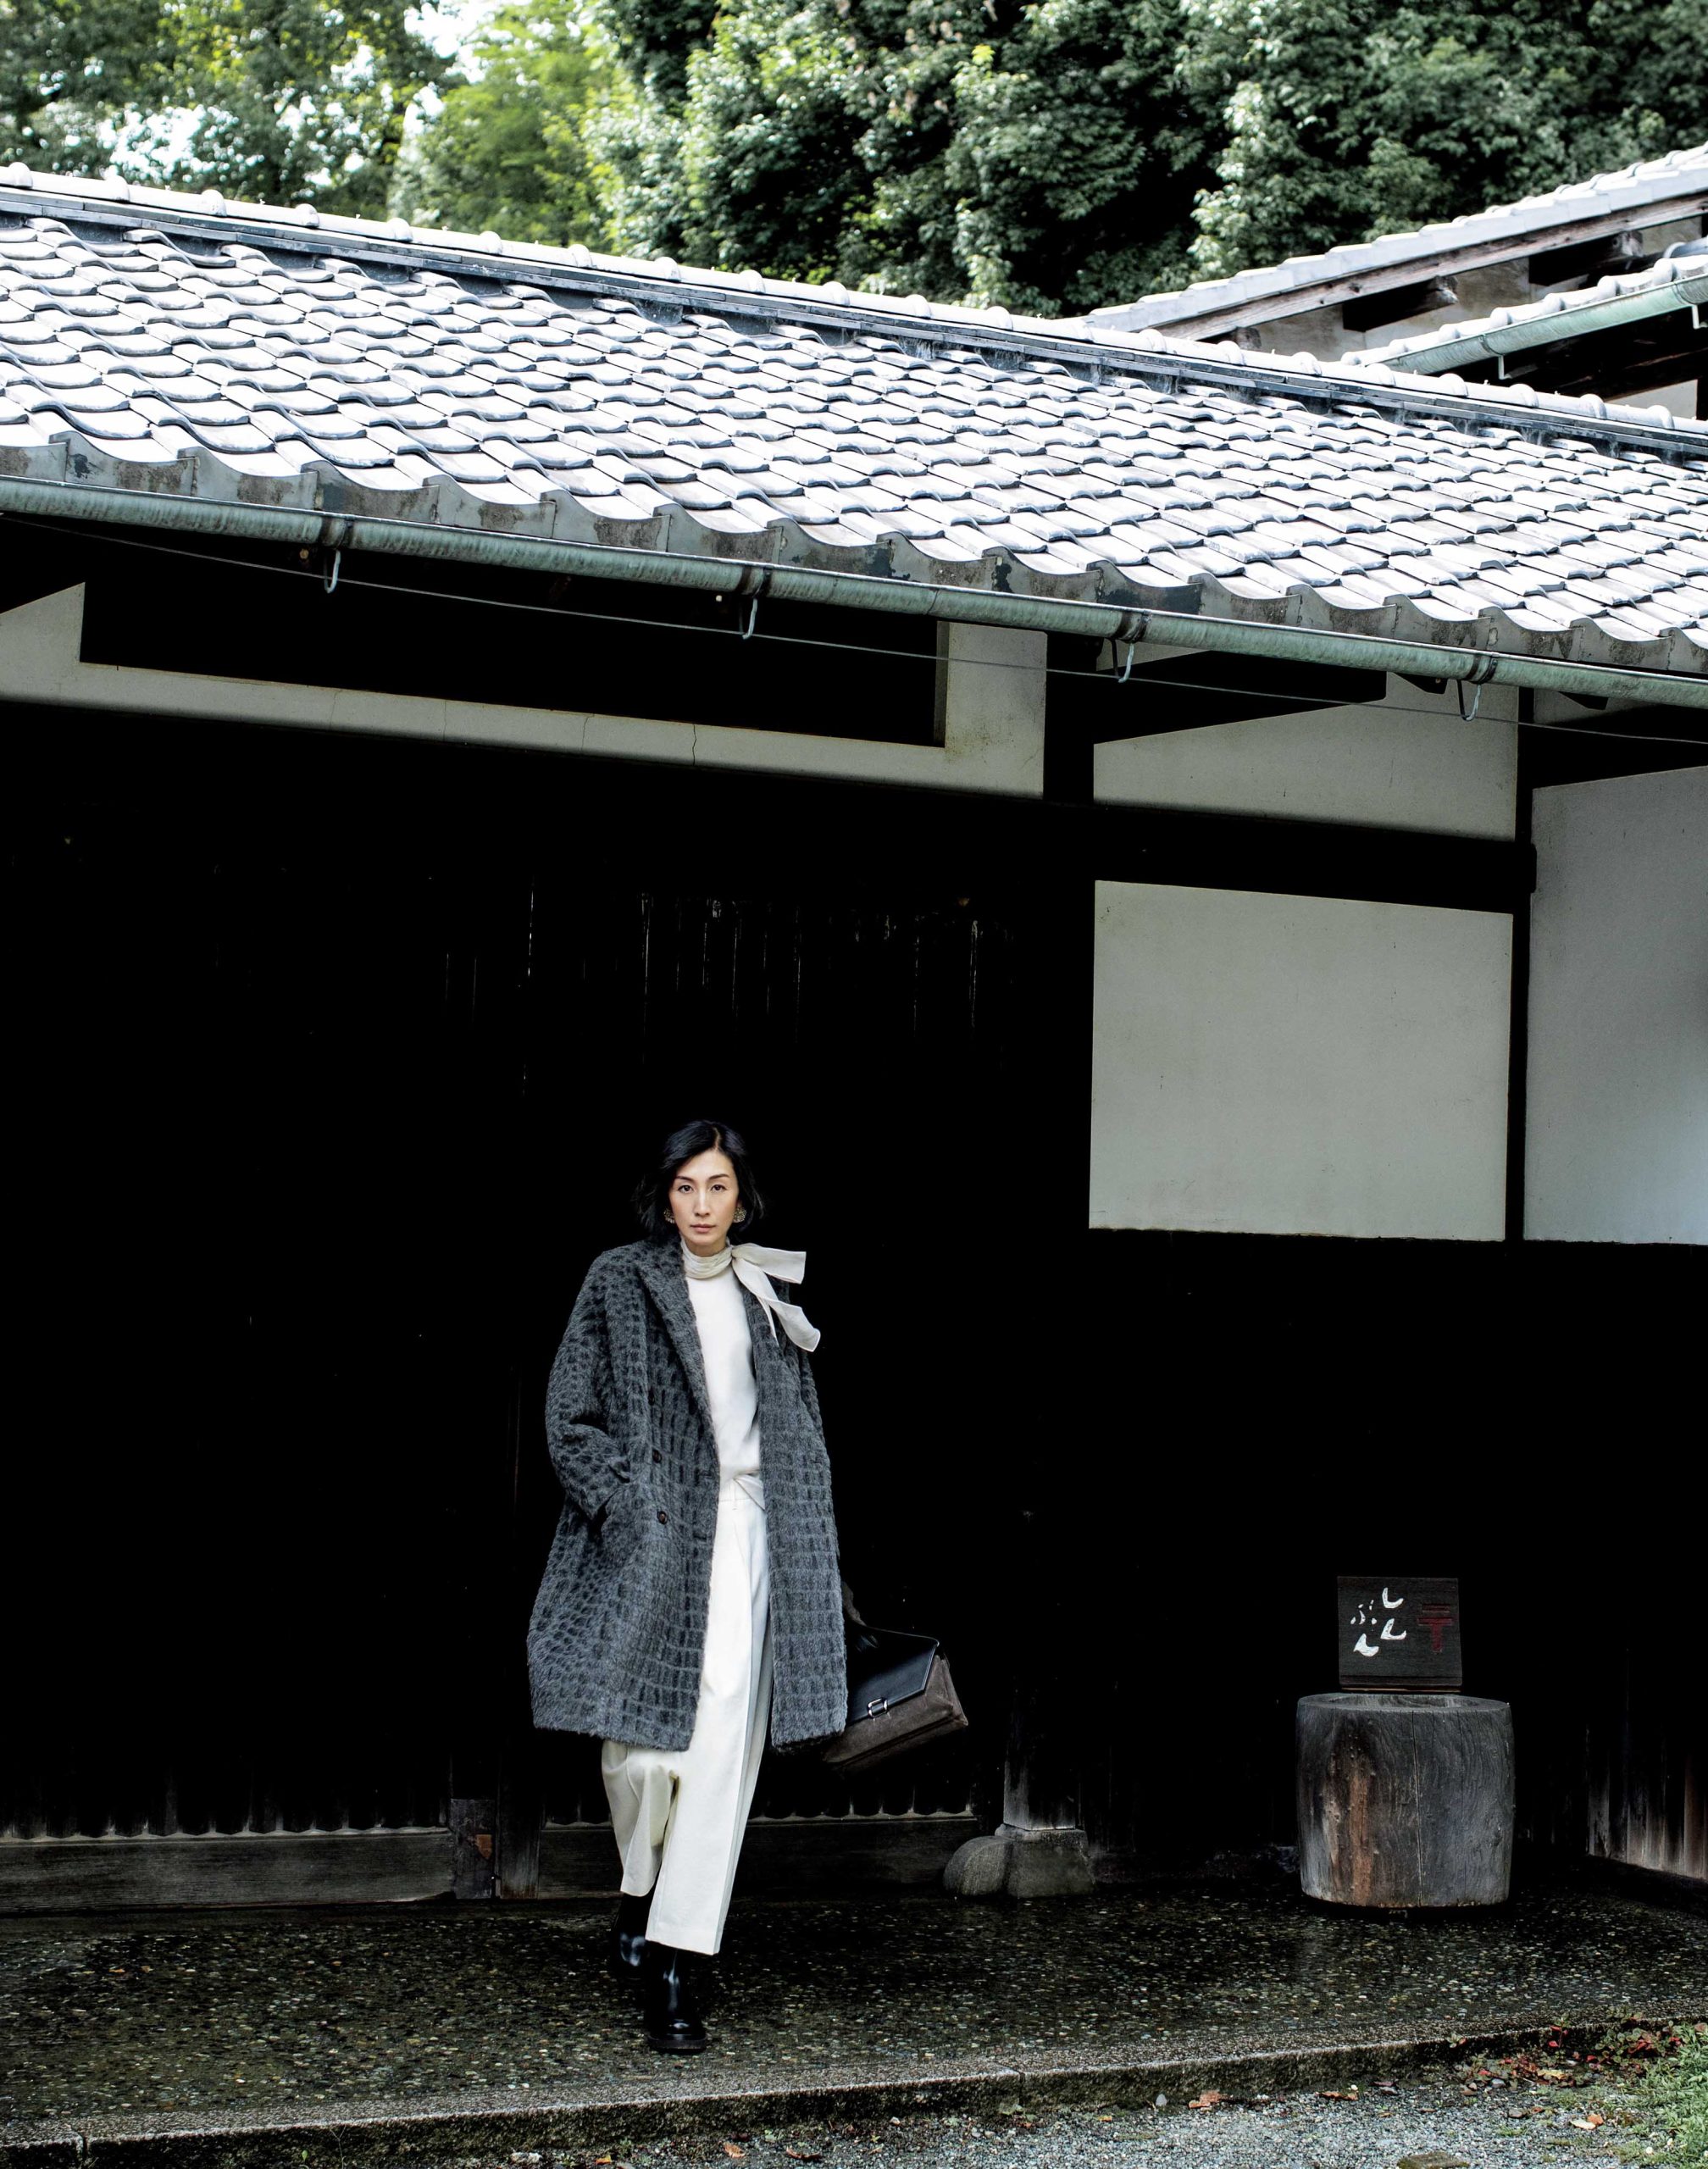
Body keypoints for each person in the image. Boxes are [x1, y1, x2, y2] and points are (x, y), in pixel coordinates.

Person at [527, 1118, 849, 2053]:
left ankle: (676, 1959)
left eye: (718, 1187)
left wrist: (812, 1551)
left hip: (750, 1534)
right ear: (663, 1196)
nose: (702, 1205)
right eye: (685, 1187)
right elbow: (568, 1415)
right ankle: (642, 1888)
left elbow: (801, 1436)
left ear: (742, 1198)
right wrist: (622, 1507)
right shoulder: (618, 1281)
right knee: (638, 1757)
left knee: (719, 1753)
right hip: (655, 1540)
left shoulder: (766, 1291)